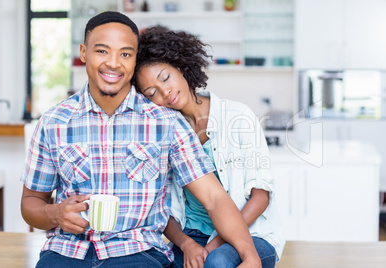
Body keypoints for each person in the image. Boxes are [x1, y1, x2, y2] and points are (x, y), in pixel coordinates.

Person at [20, 11, 260, 268]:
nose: (113, 63)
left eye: (125, 54)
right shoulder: (53, 121)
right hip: (66, 253)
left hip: (137, 253)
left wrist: (250, 256)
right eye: (102, 51)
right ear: (83, 52)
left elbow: (214, 197)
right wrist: (54, 214)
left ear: (134, 61)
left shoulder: (166, 123)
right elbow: (31, 202)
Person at [133, 26, 285, 268]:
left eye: (165, 78)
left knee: (218, 262)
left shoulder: (238, 116)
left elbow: (260, 196)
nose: (165, 92)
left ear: (180, 67)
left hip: (252, 233)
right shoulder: (162, 133)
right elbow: (160, 209)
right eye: (152, 93)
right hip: (191, 236)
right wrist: (186, 244)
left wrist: (214, 243)